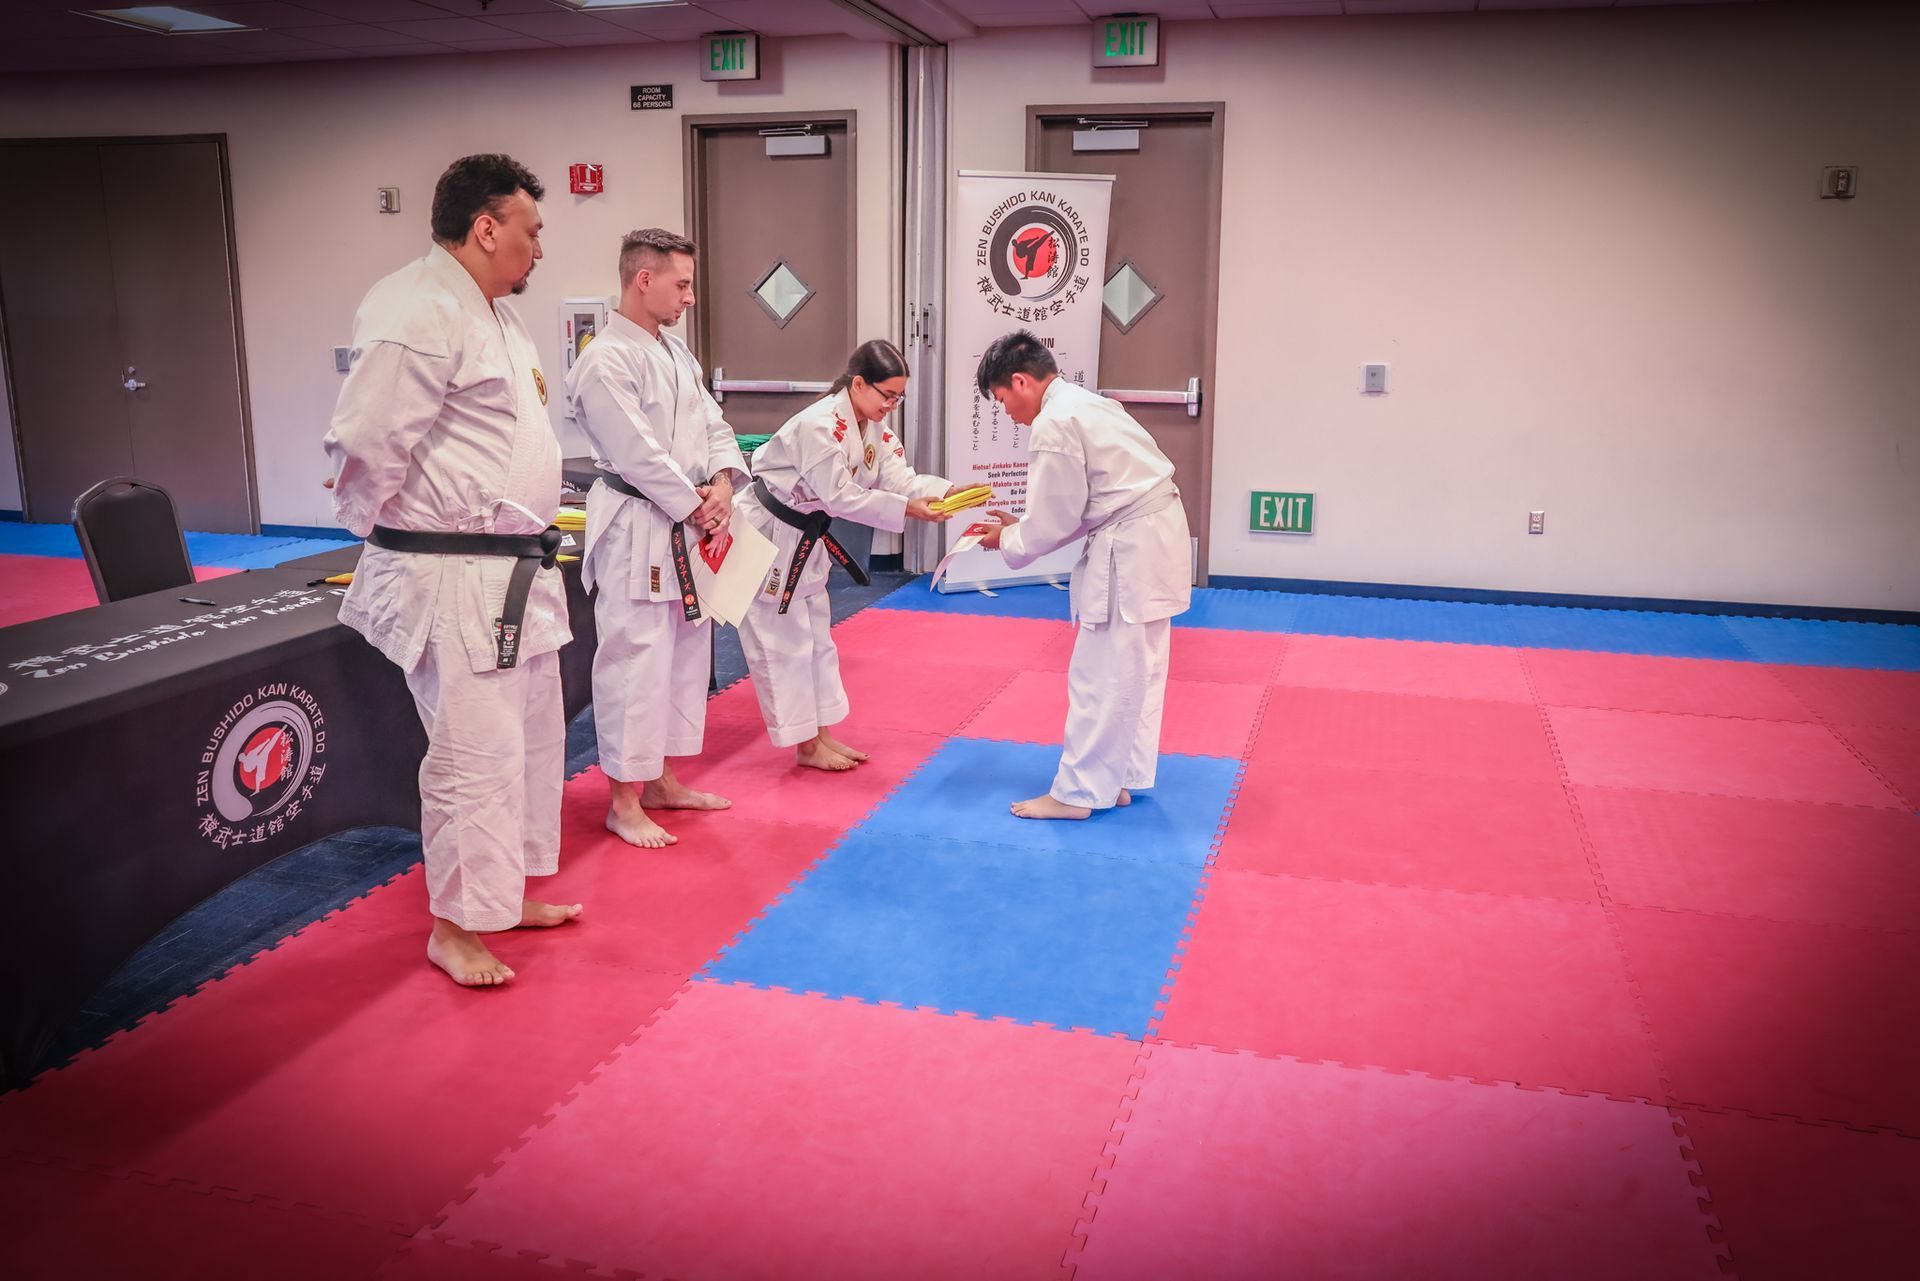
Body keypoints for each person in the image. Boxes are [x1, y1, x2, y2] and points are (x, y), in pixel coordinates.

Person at [322, 153, 580, 988]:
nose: (539, 248)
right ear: (486, 227)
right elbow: (365, 442)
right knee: (473, 755)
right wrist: (394, 533)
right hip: (455, 572)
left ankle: (500, 898)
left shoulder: (497, 313)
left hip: (513, 569)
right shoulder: (418, 306)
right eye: (531, 231)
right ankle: (453, 925)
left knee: (533, 742)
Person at [565, 229, 747, 848]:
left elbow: (715, 425)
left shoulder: (677, 355)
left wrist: (722, 483)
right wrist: (695, 504)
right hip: (638, 525)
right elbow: (636, 453)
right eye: (682, 283)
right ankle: (622, 799)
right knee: (634, 660)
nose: (689, 296)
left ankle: (664, 779)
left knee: (685, 655)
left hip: (689, 519)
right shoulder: (604, 359)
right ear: (644, 279)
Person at [974, 330, 1192, 820]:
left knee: (1102, 673)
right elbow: (1082, 507)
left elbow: (1056, 518)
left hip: (1132, 549)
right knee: (1138, 668)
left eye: (1003, 399)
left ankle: (1077, 793)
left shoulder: (1054, 422)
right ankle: (1114, 780)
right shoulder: (1090, 405)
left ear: (1020, 380)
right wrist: (1022, 527)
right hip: (1153, 534)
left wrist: (1006, 539)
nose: (1007, 412)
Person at [735, 340, 957, 770]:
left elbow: (899, 479)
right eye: (887, 394)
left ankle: (820, 735)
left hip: (805, 536)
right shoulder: (820, 426)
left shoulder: (875, 429)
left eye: (899, 396)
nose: (892, 404)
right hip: (768, 535)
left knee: (817, 638)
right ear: (858, 384)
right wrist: (906, 510)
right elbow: (839, 496)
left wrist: (947, 492)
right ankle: (804, 745)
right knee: (783, 642)